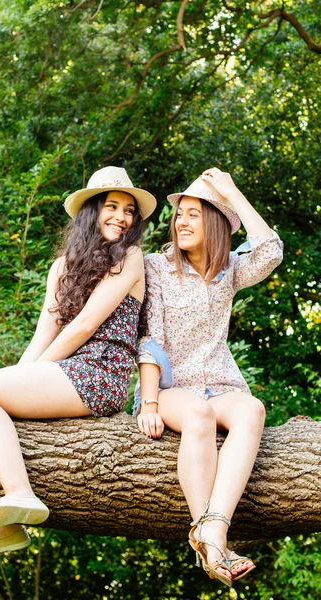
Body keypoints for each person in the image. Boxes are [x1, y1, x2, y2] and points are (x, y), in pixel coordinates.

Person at [0, 166, 156, 559]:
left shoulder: (131, 257)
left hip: (100, 373)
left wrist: (27, 376)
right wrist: (16, 376)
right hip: (64, 373)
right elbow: (45, 330)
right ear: (90, 211)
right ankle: (9, 526)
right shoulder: (61, 266)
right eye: (111, 206)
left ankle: (20, 494)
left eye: (129, 210)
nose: (121, 217)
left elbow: (83, 326)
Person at [136, 167, 283, 587]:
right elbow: (151, 339)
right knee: (198, 414)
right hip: (169, 389)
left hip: (221, 384)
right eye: (178, 214)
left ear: (216, 222)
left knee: (252, 409)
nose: (180, 221)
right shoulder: (157, 267)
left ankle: (212, 531)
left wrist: (232, 191)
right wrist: (148, 402)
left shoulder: (230, 271)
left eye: (193, 214)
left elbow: (271, 251)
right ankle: (208, 532)